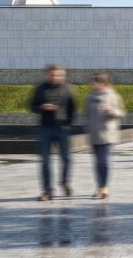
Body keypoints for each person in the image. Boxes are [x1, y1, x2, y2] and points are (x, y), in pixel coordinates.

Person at [30, 63, 76, 202]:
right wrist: (42, 107)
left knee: (66, 159)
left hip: (63, 129)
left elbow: (72, 109)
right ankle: (47, 190)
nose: (55, 77)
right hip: (46, 128)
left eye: (58, 75)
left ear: (62, 76)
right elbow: (32, 106)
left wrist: (68, 124)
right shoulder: (41, 89)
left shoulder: (67, 89)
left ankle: (64, 182)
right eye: (52, 75)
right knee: (45, 161)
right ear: (48, 75)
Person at [85, 72, 126, 199]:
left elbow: (121, 112)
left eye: (95, 82)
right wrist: (87, 125)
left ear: (103, 83)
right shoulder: (90, 97)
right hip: (94, 135)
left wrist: (111, 111)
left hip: (108, 134)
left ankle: (105, 187)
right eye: (92, 82)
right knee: (97, 163)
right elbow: (86, 114)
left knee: (104, 162)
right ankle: (99, 186)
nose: (93, 84)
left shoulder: (112, 96)